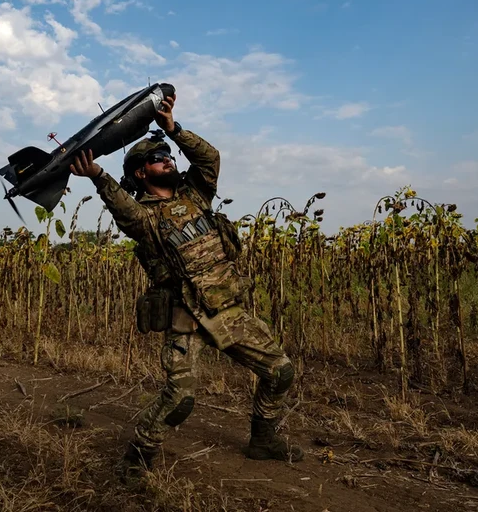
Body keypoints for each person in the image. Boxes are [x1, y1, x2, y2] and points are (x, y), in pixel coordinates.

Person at [68, 91, 303, 475]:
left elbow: (210, 158)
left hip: (226, 309)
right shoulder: (144, 217)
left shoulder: (196, 194)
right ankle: (138, 456)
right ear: (141, 173)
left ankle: (263, 440)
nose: (167, 161)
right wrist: (97, 175)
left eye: (168, 157)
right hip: (185, 316)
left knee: (280, 371)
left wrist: (174, 130)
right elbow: (122, 210)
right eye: (158, 160)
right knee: (180, 399)